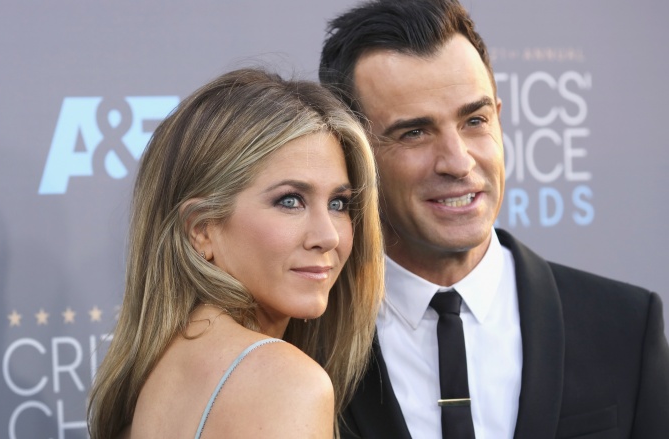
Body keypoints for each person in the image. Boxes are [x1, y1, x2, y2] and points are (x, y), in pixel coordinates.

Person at [319, 1, 669, 438]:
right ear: (353, 154)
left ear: (499, 120)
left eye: (474, 120)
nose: (458, 162)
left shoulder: (625, 327)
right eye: (415, 132)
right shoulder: (305, 341)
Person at [87, 68, 384, 439]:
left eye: (338, 203)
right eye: (290, 201)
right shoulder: (284, 384)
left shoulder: (151, 378)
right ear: (201, 229)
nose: (328, 236)